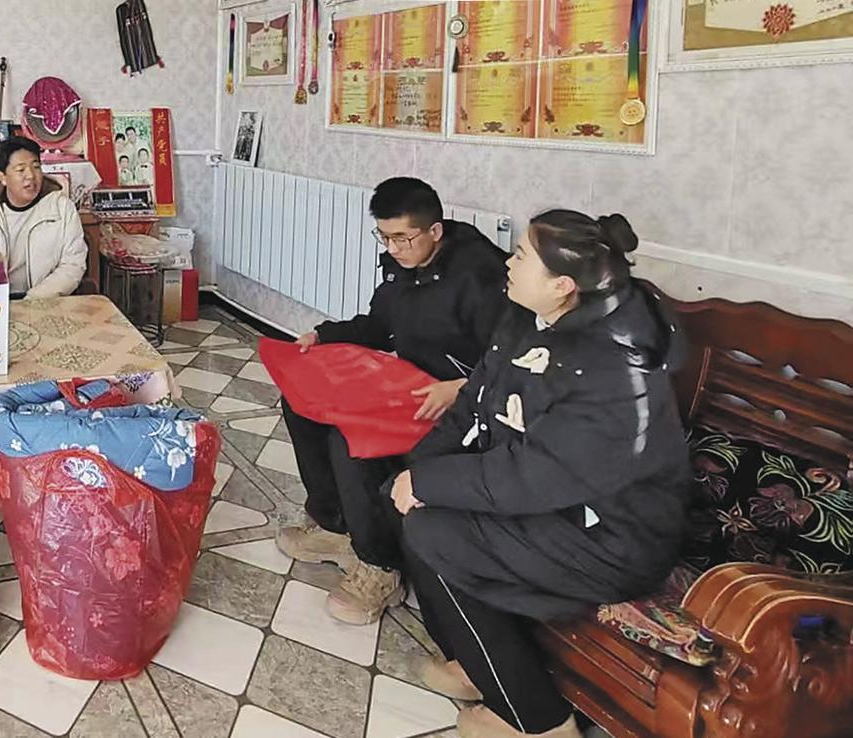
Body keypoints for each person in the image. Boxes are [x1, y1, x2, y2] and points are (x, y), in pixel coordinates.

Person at [389, 211, 689, 738]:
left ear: (562, 285)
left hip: (612, 535)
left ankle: (537, 719)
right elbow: (474, 403)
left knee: (434, 529)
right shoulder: (527, 318)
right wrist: (419, 471)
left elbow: (538, 473)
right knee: (406, 499)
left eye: (522, 255)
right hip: (555, 503)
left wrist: (430, 486)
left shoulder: (614, 366)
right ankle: (478, 662)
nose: (508, 262)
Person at [276, 177, 508, 625]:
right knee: (302, 403)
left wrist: (458, 388)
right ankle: (335, 525)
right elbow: (379, 326)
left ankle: (379, 565)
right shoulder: (403, 266)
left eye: (402, 238)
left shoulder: (482, 278)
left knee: (352, 438)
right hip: (412, 388)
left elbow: (510, 364)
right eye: (384, 237)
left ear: (434, 231)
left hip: (462, 405)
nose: (393, 248)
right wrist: (324, 335)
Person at [0, 136, 89, 299]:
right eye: (21, 170)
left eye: (36, 167)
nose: (31, 176)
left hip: (45, 300)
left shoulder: (62, 208)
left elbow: (73, 264)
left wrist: (33, 299)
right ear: (2, 177)